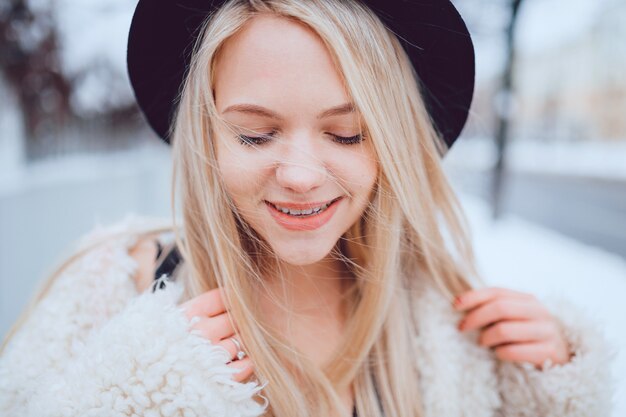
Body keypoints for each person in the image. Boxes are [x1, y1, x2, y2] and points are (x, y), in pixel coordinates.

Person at [0, 1, 616, 416]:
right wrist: (124, 391)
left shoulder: (447, 325)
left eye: (347, 134)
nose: (298, 175)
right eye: (255, 134)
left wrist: (554, 384)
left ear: (392, 142)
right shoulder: (111, 291)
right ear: (205, 134)